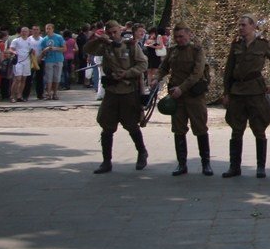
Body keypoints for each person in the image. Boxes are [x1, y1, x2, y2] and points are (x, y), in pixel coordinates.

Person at [221, 14, 270, 179]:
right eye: (239, 25)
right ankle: (234, 166)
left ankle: (260, 167)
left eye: (243, 25)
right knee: (236, 130)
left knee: (259, 129)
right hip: (237, 92)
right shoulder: (236, 45)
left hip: (255, 92)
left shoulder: (262, 45)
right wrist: (226, 92)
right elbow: (228, 70)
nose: (240, 28)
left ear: (253, 26)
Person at [85, 20, 149, 173]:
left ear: (120, 31)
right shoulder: (105, 46)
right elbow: (88, 49)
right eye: (109, 33)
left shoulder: (130, 46)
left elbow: (143, 64)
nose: (113, 35)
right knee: (107, 126)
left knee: (132, 125)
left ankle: (142, 152)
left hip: (128, 91)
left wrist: (127, 73)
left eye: (115, 32)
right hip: (112, 91)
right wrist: (98, 39)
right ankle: (106, 161)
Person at [156, 23, 213, 176]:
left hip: (194, 96)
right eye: (176, 37)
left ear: (189, 35)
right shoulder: (173, 51)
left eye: (181, 36)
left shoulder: (197, 51)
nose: (179, 39)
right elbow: (164, 67)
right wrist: (156, 78)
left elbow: (197, 73)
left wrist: (182, 88)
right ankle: (182, 164)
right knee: (178, 130)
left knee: (200, 128)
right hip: (177, 97)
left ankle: (205, 163)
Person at [41, 23, 66, 100]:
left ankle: (55, 93)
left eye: (49, 28)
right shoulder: (44, 39)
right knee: (49, 77)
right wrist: (46, 49)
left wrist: (55, 48)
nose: (48, 30)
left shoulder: (59, 37)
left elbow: (64, 49)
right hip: (49, 60)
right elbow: (42, 51)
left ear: (53, 29)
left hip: (58, 59)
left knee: (57, 77)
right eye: (47, 29)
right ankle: (48, 94)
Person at [9, 27, 32, 103]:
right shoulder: (16, 40)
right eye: (22, 31)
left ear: (28, 32)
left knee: (23, 79)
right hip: (18, 62)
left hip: (27, 62)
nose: (24, 33)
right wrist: (14, 52)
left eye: (26, 31)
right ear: (20, 32)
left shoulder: (30, 41)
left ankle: (19, 96)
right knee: (17, 79)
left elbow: (31, 50)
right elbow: (11, 48)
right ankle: (12, 96)